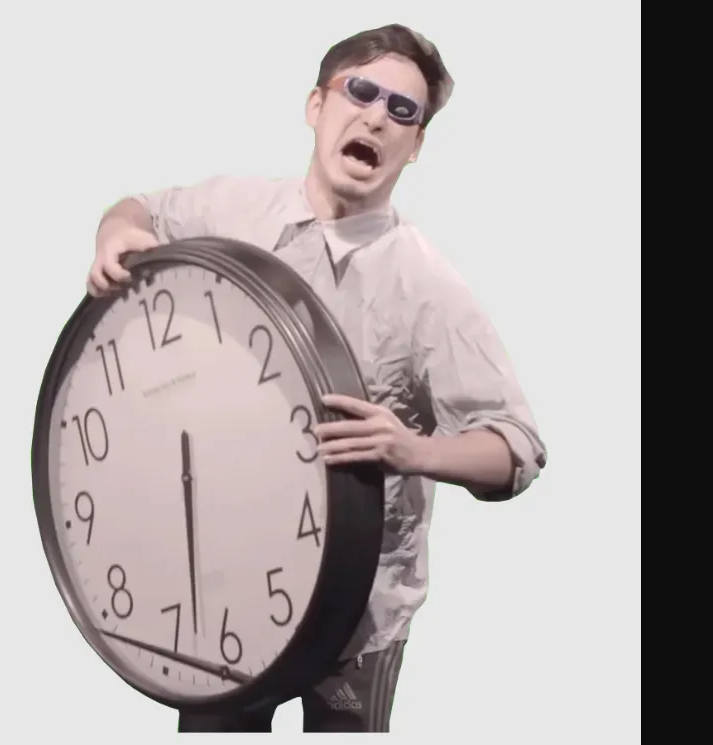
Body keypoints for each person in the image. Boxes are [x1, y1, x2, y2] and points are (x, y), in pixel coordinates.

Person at [84, 23, 548, 733]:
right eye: (361, 91)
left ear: (416, 145)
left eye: (403, 110)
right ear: (316, 105)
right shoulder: (232, 208)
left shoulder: (424, 285)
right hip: (226, 592)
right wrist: (114, 233)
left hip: (355, 621)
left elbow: (517, 447)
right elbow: (140, 209)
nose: (377, 117)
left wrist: (414, 450)